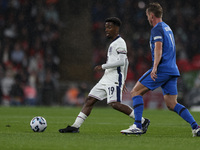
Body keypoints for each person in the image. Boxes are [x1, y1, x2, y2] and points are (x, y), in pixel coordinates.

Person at [120, 2, 200, 137]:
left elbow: (159, 48)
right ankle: (196, 127)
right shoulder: (168, 28)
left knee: (135, 92)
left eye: (147, 16)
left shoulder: (156, 29)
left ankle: (138, 126)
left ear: (151, 15)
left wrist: (155, 67)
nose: (147, 19)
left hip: (162, 69)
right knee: (171, 103)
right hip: (172, 70)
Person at [59, 17, 150, 133]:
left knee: (115, 104)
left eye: (109, 27)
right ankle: (75, 126)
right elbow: (125, 62)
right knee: (90, 100)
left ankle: (142, 121)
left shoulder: (120, 42)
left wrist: (104, 67)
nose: (106, 30)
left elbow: (122, 61)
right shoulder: (113, 43)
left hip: (114, 78)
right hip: (106, 78)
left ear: (116, 28)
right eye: (106, 27)